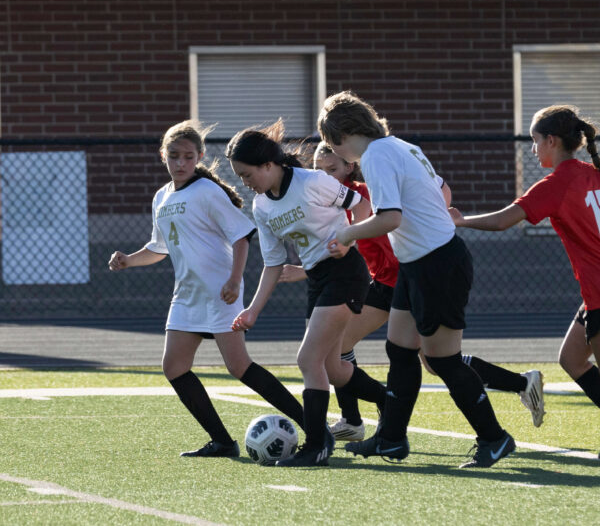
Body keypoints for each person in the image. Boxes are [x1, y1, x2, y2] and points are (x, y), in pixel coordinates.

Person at [449, 104, 600, 464]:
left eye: (535, 142)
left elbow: (504, 221)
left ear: (552, 140)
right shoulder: (594, 173)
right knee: (572, 358)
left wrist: (461, 221)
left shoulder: (557, 184)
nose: (533, 150)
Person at [280, 142, 545, 440]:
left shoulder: (364, 196)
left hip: (406, 281)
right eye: (319, 170)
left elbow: (359, 240)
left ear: (349, 167)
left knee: (436, 362)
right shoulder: (329, 199)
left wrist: (305, 271)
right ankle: (352, 421)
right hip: (382, 283)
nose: (325, 176)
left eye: (332, 169)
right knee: (337, 346)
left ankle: (521, 384)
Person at [318, 90, 516, 469]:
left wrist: (346, 235)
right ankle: (391, 439)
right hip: (418, 263)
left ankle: (495, 438)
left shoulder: (375, 156)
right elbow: (438, 193)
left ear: (340, 137)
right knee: (401, 350)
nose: (335, 152)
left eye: (330, 144)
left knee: (444, 361)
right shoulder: (399, 146)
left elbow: (389, 217)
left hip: (436, 264)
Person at [108, 120, 305, 458]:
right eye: (174, 156)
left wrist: (233, 279)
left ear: (199, 156)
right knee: (174, 368)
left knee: (239, 367)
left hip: (219, 292)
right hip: (186, 295)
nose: (181, 163)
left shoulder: (208, 192)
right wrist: (128, 259)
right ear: (163, 156)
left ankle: (313, 426)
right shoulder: (162, 197)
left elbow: (242, 237)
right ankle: (223, 442)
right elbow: (159, 248)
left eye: (188, 156)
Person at [226, 119, 387, 467]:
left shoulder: (313, 181)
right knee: (332, 368)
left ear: (268, 165)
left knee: (307, 360)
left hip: (345, 272)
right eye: (240, 177)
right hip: (318, 278)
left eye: (247, 174)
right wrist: (252, 310)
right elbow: (273, 264)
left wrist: (349, 239)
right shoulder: (262, 206)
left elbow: (360, 206)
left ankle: (317, 446)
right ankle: (390, 401)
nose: (245, 183)